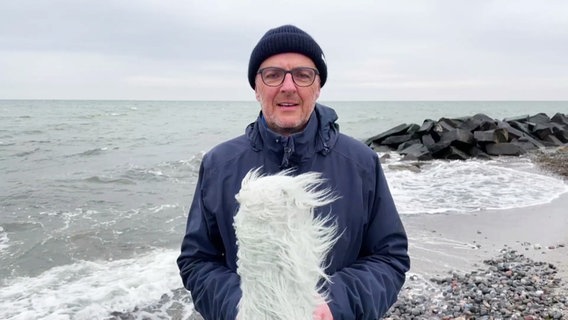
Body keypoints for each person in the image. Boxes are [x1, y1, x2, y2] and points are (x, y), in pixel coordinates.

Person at [177, 24, 410, 320]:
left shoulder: (361, 162)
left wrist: (334, 305)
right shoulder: (219, 164)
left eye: (302, 74)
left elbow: (390, 257)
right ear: (256, 87)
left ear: (318, 86)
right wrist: (244, 307)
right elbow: (197, 260)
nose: (288, 86)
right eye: (273, 75)